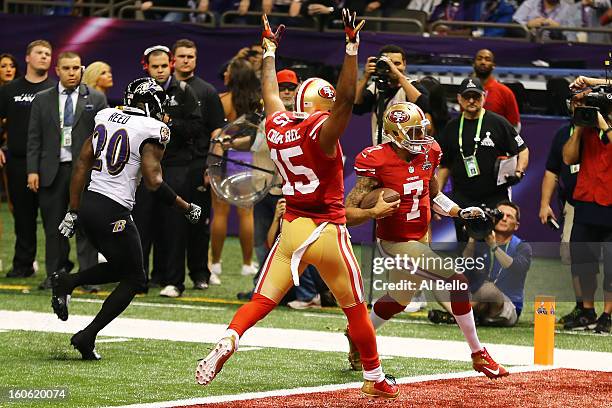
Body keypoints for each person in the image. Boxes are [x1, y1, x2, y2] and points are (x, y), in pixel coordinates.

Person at [196, 11, 400, 399]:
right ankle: (375, 378)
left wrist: (270, 50)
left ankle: (231, 336)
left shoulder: (278, 126)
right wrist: (351, 48)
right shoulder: (321, 133)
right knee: (355, 308)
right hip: (327, 231)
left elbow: (271, 93)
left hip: (292, 228)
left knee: (262, 298)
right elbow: (344, 99)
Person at [345, 101, 509, 378]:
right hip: (395, 242)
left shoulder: (429, 152)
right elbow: (348, 212)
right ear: (395, 134)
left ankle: (359, 334)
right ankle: (478, 354)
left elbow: (431, 194)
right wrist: (373, 211)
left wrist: (459, 211)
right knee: (456, 280)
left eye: (422, 131)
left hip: (420, 236)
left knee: (398, 298)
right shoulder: (375, 160)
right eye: (414, 132)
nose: (421, 138)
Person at [51, 77, 202, 359]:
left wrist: (73, 210)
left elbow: (82, 161)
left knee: (123, 268)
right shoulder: (152, 128)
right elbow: (154, 181)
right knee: (135, 279)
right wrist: (186, 207)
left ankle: (68, 283)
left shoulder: (106, 115)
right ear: (148, 102)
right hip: (113, 209)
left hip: (90, 203)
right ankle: (87, 336)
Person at [27, 51, 107, 290]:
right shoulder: (42, 98)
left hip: (85, 173)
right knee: (53, 228)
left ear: (81, 70)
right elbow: (34, 138)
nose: (72, 73)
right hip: (52, 171)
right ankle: (54, 275)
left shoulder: (97, 98)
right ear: (57, 71)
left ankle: (88, 278)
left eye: (76, 68)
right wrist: (32, 170)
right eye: (67, 69)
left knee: (87, 226)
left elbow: (103, 139)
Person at [132, 45, 204, 298]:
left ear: (171, 65)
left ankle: (174, 282)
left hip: (176, 167)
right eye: (155, 66)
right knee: (140, 224)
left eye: (164, 66)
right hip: (143, 166)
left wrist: (169, 123)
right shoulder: (137, 92)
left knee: (174, 225)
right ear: (146, 68)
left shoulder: (184, 91)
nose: (160, 70)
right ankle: (138, 280)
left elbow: (197, 128)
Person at [437, 77, 529, 244]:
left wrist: (519, 171)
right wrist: (436, 196)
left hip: (494, 197)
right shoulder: (451, 128)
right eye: (467, 96)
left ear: (484, 97)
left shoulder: (498, 123)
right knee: (465, 247)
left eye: (476, 96)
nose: (471, 100)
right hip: (462, 198)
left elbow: (523, 150)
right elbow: (444, 166)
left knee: (494, 246)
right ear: (459, 99)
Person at [172, 39, 226, 290]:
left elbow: (217, 133)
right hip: (168, 166)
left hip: (197, 166)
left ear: (196, 59)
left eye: (190, 57)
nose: (186, 60)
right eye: (181, 56)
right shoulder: (164, 89)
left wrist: (211, 167)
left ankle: (199, 274)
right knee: (166, 223)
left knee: (198, 223)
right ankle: (162, 274)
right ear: (174, 59)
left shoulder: (207, 91)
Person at [0, 40, 55, 279]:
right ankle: (22, 265)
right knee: (23, 217)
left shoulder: (56, 88)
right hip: (19, 161)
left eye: (48, 54)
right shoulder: (9, 90)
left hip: (51, 162)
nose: (44, 57)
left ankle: (56, 266)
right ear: (27, 58)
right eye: (39, 53)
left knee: (53, 218)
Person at [562, 77, 612, 334]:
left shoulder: (606, 127)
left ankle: (608, 315)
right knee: (584, 261)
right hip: (586, 202)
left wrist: (603, 124)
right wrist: (580, 127)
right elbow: (569, 158)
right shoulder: (584, 130)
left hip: (610, 203)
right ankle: (588, 310)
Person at [210, 57, 261, 283]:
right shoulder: (257, 102)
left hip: (222, 157)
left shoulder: (222, 100)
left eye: (229, 70)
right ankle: (247, 264)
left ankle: (216, 263)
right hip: (245, 158)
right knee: (246, 212)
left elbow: (215, 136)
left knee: (219, 212)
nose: (225, 74)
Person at [539, 96, 586, 325]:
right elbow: (551, 170)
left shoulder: (605, 129)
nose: (580, 105)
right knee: (573, 255)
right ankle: (582, 307)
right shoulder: (563, 133)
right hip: (574, 203)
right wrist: (545, 203)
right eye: (576, 101)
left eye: (586, 100)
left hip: (605, 203)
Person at [459, 201, 531, 327]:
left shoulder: (522, 247)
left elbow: (517, 268)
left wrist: (493, 246)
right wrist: (473, 234)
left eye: (510, 217)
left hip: (507, 307)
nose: (504, 219)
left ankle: (457, 315)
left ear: (516, 226)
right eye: (501, 215)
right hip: (480, 300)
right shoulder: (480, 241)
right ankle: (466, 315)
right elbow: (463, 269)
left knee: (489, 290)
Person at [353, 44, 429, 146]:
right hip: (381, 150)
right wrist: (365, 76)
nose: (393, 68)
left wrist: (398, 75)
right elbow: (356, 106)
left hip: (406, 151)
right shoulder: (376, 87)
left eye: (397, 63)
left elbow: (424, 105)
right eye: (389, 64)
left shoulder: (412, 86)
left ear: (404, 64)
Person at [472, 49, 521, 132]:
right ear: (473, 64)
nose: (483, 62)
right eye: (479, 59)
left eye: (487, 59)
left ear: (493, 65)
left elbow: (515, 125)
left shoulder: (505, 92)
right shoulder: (467, 92)